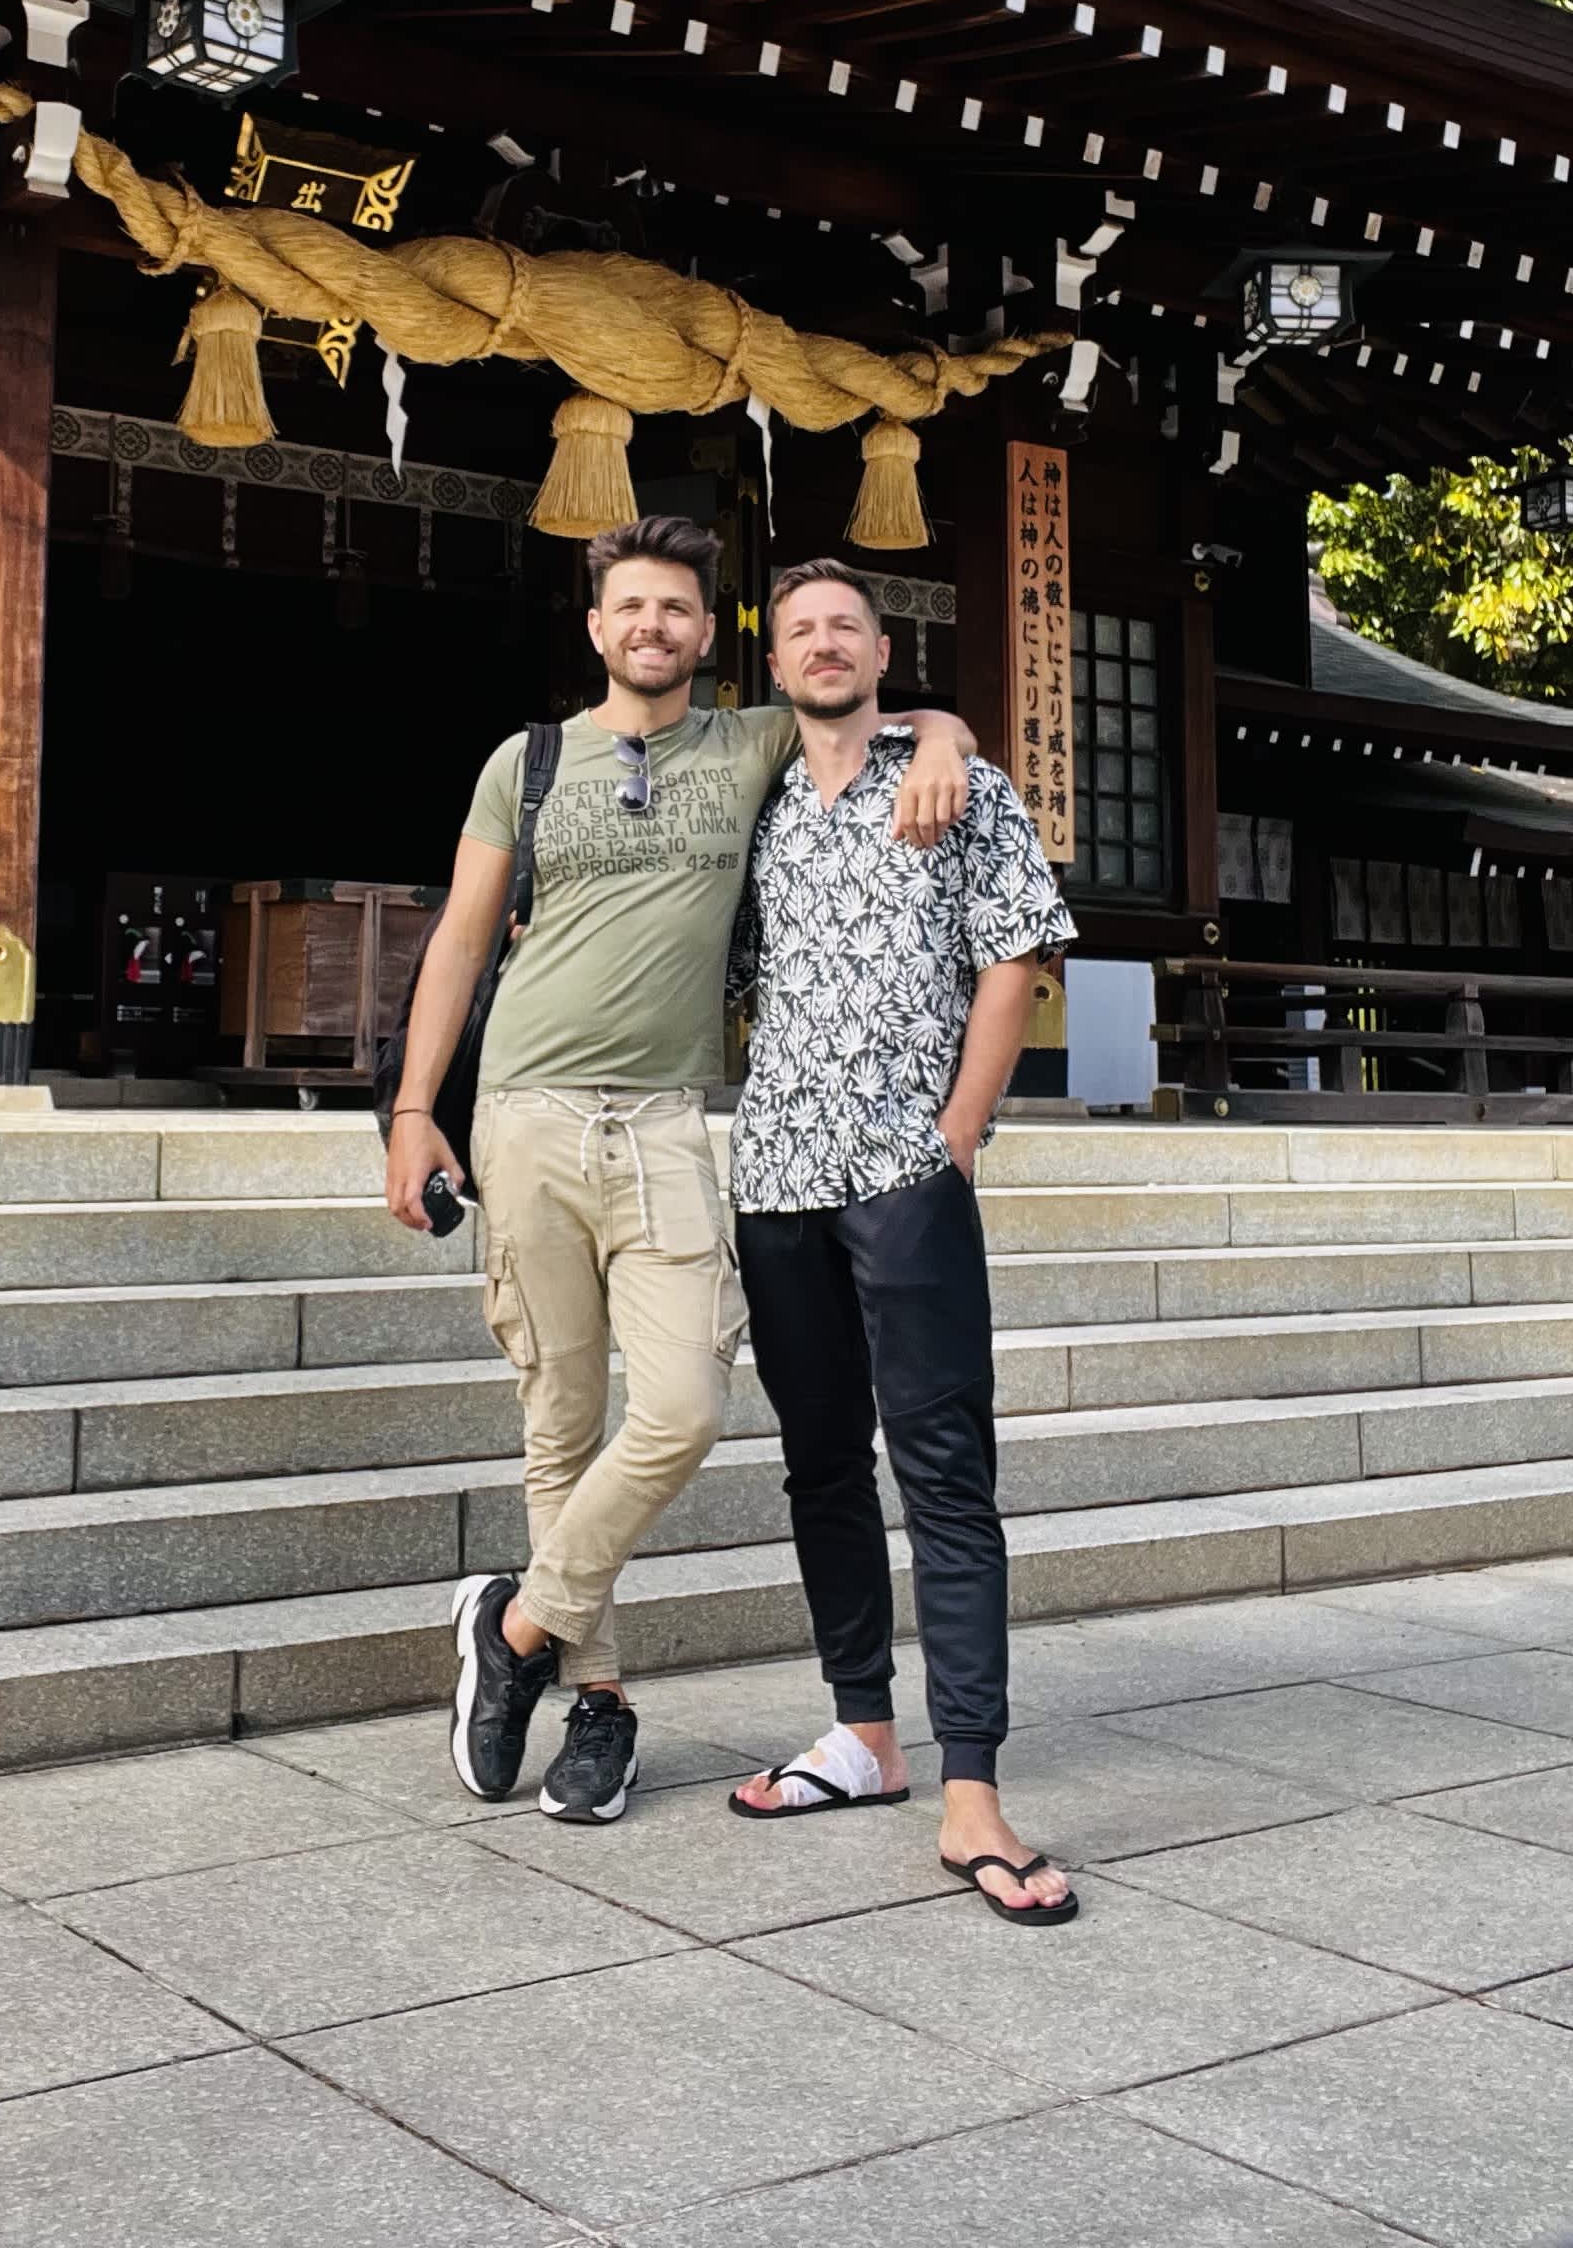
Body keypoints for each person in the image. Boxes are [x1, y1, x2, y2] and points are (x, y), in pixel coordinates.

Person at [384, 514, 976, 1826]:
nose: (652, 628)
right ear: (597, 629)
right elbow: (461, 940)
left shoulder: (753, 739)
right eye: (630, 609)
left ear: (713, 637)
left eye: (677, 612)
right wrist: (415, 1109)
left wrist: (944, 735)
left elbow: (885, 712)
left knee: (684, 1409)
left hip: (661, 1124)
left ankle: (519, 1626)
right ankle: (599, 1706)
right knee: (559, 1422)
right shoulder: (526, 765)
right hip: (526, 1115)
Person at [722, 557, 1082, 1924]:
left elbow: (1014, 957)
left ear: (885, 653)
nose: (822, 645)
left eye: (844, 629)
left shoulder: (958, 785)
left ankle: (973, 1784)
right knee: (820, 1458)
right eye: (800, 629)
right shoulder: (750, 803)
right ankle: (863, 1733)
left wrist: (960, 1130)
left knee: (943, 1465)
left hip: (903, 1168)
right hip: (776, 1176)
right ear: (776, 660)